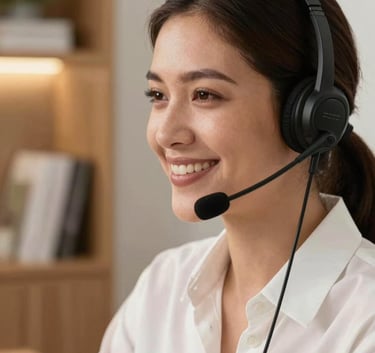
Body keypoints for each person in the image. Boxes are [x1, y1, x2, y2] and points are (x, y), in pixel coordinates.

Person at [100, 0, 375, 352]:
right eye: (159, 95)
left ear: (311, 118)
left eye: (204, 95)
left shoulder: (363, 317)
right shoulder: (161, 290)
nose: (166, 133)